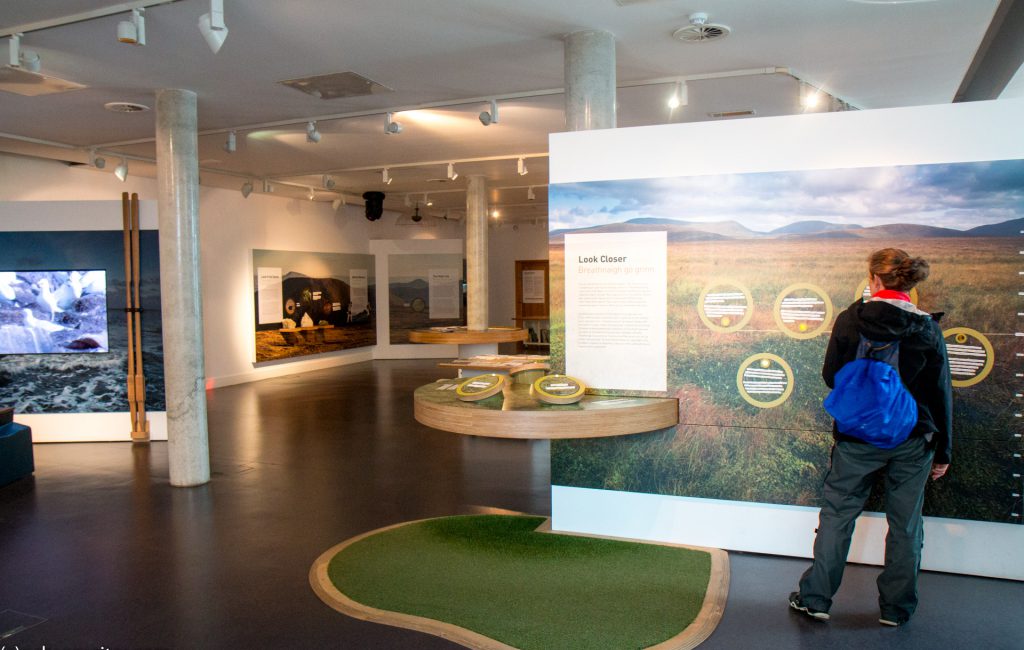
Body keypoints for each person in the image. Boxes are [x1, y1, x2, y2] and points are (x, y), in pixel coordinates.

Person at [789, 248, 953, 627]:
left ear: (875, 279)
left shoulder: (851, 319)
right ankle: (895, 610)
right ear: (908, 283)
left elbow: (832, 375)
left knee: (837, 516)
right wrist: (943, 450)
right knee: (906, 524)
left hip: (856, 437)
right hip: (913, 440)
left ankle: (815, 599)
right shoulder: (926, 326)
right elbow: (939, 393)